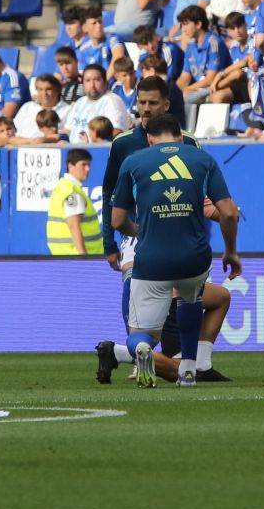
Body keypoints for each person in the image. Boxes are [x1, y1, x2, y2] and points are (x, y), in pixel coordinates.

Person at [110, 112, 241, 389]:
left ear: (149, 139)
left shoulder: (134, 163)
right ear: (181, 137)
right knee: (191, 300)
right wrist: (231, 251)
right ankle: (190, 370)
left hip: (151, 260)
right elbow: (229, 213)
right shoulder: (202, 160)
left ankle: (142, 350)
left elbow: (118, 220)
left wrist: (139, 233)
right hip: (194, 258)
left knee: (142, 334)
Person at [47, 147, 104, 255]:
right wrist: (83, 258)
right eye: (83, 164)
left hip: (65, 257)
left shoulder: (63, 186)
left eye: (89, 165)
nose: (88, 169)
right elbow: (73, 225)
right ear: (70, 166)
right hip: (78, 257)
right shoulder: (71, 191)